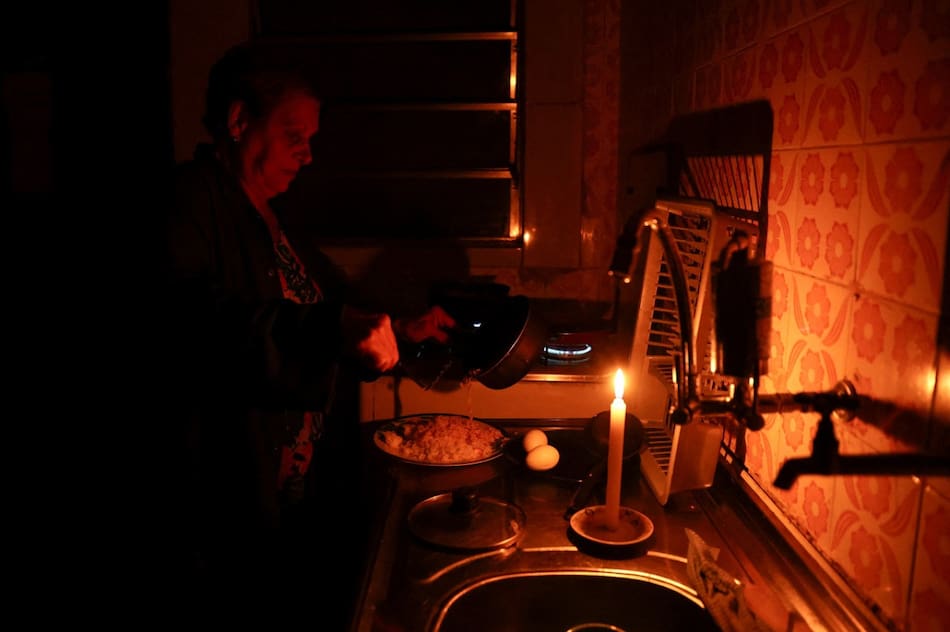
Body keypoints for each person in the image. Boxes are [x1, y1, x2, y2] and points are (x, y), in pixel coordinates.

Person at [156, 41, 456, 623]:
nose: (308, 155)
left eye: (311, 139)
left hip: (292, 499)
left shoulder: (274, 220)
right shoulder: (188, 201)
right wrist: (331, 327)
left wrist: (402, 327)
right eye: (296, 135)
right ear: (240, 121)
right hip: (225, 505)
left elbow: (332, 309)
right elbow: (192, 326)